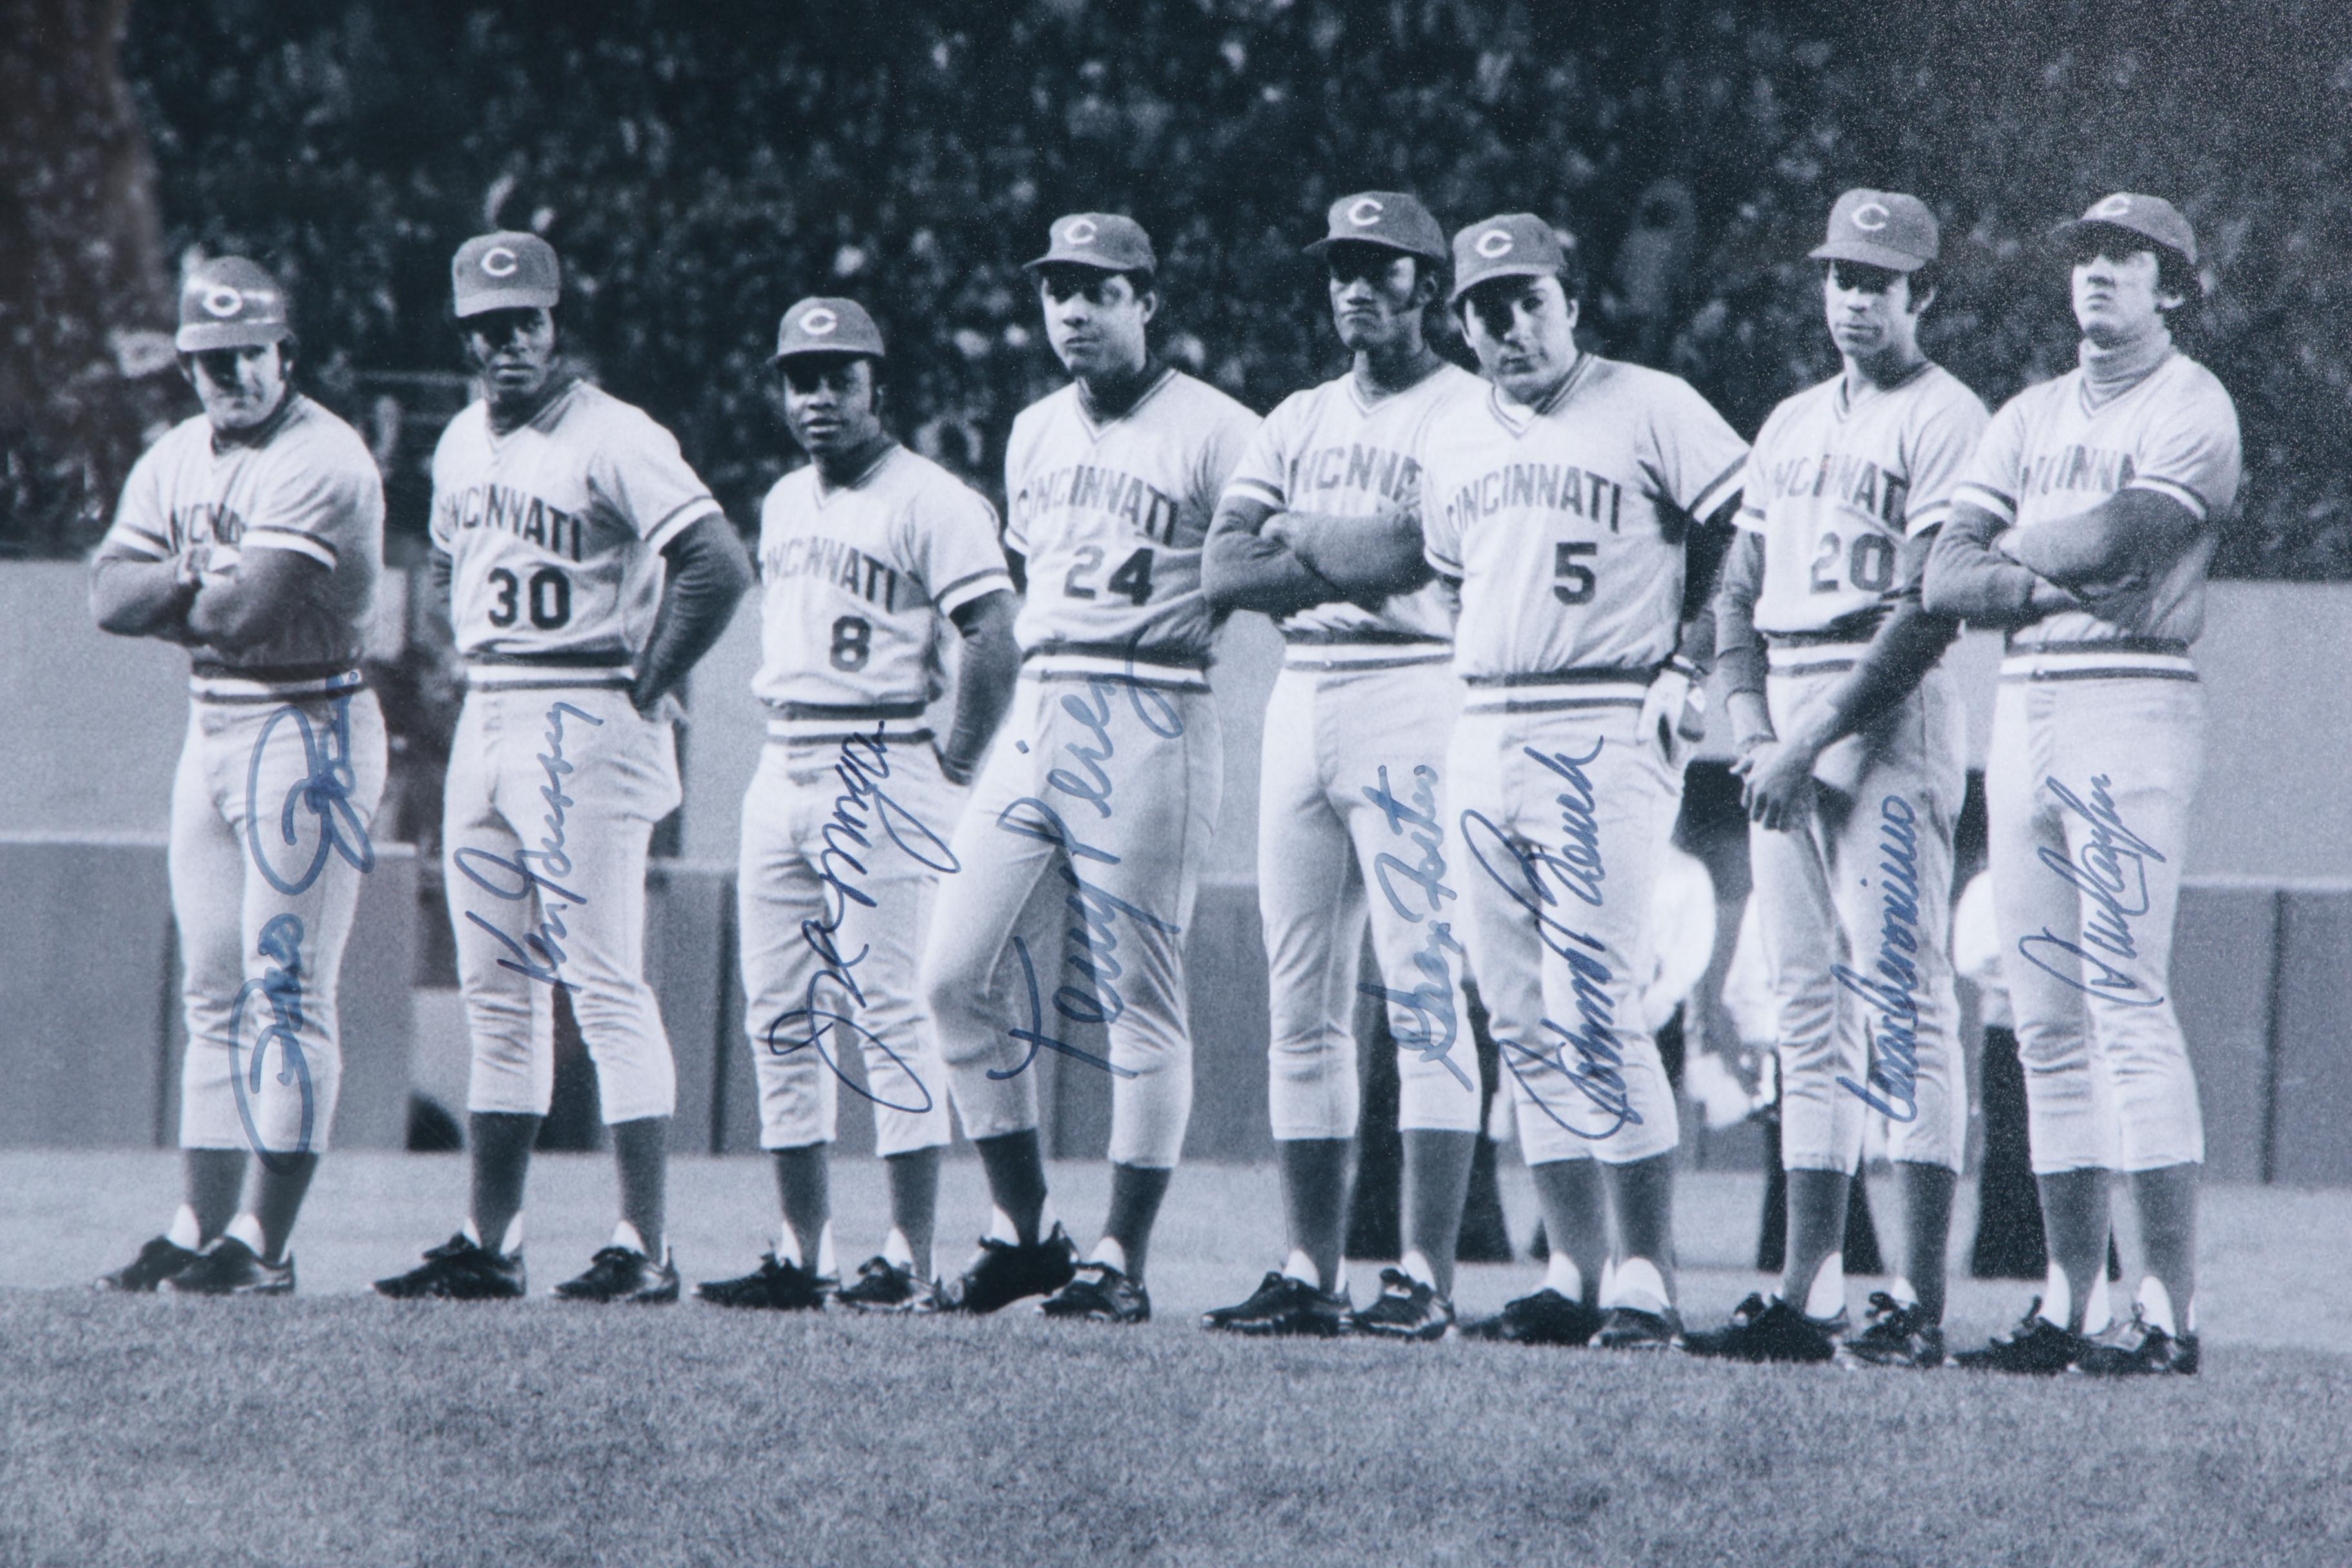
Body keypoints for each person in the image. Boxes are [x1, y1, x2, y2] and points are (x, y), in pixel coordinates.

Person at [375, 231, 752, 1303]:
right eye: (488, 328)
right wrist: (464, 651)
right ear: (464, 336)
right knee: (499, 992)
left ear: (555, 324)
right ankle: (490, 1242)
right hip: (495, 709)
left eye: (525, 323)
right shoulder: (457, 442)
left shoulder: (614, 435)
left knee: (603, 981)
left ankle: (644, 1245)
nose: (509, 344)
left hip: (587, 705)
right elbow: (448, 565)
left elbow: (718, 564)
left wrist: (652, 673)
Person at [919, 213, 1257, 1324]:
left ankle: (1122, 1257)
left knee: (1138, 1003)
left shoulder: (1221, 428)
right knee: (950, 975)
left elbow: (1266, 558)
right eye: (1058, 288)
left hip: (1155, 701)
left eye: (1099, 289)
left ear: (1146, 302)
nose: (1072, 308)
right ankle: (1025, 1235)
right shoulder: (1029, 431)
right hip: (1043, 701)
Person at [1420, 214, 1747, 1350]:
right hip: (1486, 714)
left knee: (1592, 1003)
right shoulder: (1454, 436)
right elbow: (1455, 578)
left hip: (1607, 709)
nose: (1510, 323)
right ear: (1458, 323)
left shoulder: (1650, 401)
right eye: (1486, 306)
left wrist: (1691, 654)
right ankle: (1572, 1272)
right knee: (1515, 1014)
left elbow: (1742, 529)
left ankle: (1648, 1279)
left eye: (1529, 300)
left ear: (1571, 303)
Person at [1926, 193, 2240, 1376]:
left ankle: (2166, 1313)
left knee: (2125, 998)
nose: (2099, 271)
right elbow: (1939, 577)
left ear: (2174, 285)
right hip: (2027, 703)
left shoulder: (2194, 403)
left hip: (2132, 696)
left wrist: (2006, 558)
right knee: (2043, 1017)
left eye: (2128, 256)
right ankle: (2066, 1304)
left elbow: (2122, 538)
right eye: (2086, 254)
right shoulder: (2025, 411)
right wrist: (2019, 573)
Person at [1687, 190, 1984, 1368]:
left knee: (1905, 1010)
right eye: (1840, 277)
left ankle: (1914, 1302)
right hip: (1788, 720)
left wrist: (1804, 739)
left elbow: (1924, 615)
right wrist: (1753, 725)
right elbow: (1734, 595)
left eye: (1880, 279)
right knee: (1804, 1007)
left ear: (1924, 295)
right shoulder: (1791, 420)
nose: (1855, 297)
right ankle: (1807, 1292)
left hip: (1888, 713)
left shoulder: (1949, 415)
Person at [1197, 191, 1484, 1340]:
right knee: (1300, 1001)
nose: (1357, 287)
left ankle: (1422, 1275)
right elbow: (1223, 571)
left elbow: (1413, 552)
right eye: (1342, 269)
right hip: (1303, 693)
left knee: (1422, 991)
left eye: (1383, 268)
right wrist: (1332, 560)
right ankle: (1310, 1270)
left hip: (1419, 689)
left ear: (1429, 284)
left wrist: (1303, 546)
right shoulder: (1299, 413)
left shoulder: (1469, 410)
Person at [697, 297, 1018, 1312]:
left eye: (841, 377)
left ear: (881, 387)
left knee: (887, 1013)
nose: (821, 397)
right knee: (779, 1015)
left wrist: (959, 762)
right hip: (781, 754)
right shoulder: (787, 499)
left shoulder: (933, 498)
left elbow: (995, 634)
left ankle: (907, 1256)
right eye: (803, 378)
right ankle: (801, 1250)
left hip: (881, 754)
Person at [91, 255, 387, 1295]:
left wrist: (179, 593)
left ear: (285, 355)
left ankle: (265, 1243)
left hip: (309, 723)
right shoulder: (178, 454)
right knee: (212, 988)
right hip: (213, 724)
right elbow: (104, 594)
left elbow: (242, 612)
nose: (232, 377)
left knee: (290, 989)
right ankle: (198, 1226)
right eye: (212, 360)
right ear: (189, 365)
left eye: (249, 355)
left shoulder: (325, 458)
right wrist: (185, 576)